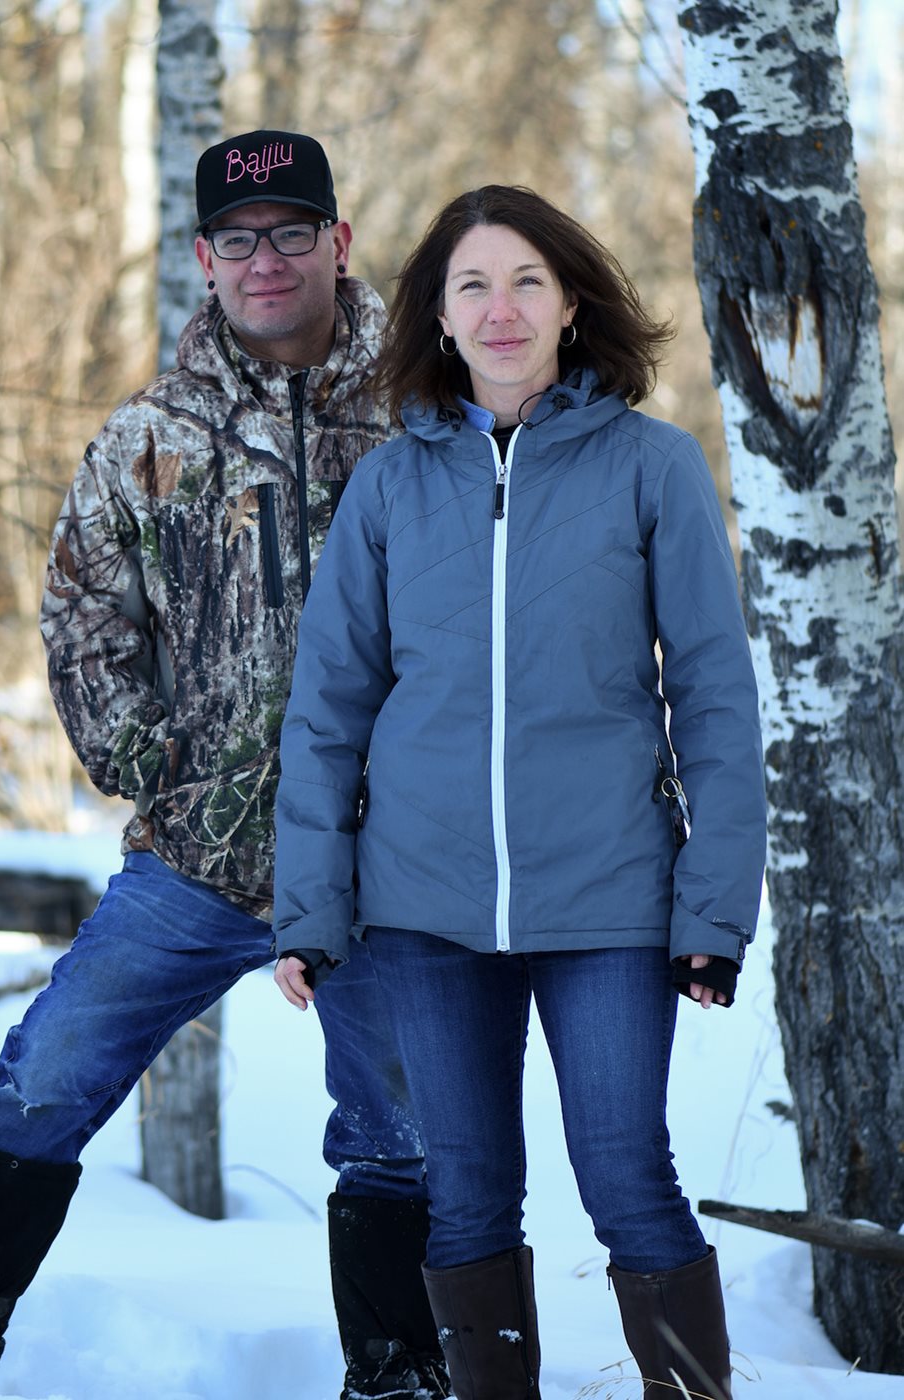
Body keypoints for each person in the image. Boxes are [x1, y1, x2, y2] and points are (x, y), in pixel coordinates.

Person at [0, 129, 449, 1400]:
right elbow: (82, 611)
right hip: (203, 851)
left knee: (399, 1122)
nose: (267, 259)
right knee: (50, 1068)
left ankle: (399, 1361)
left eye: (293, 232)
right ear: (203, 258)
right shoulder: (152, 432)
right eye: (239, 239)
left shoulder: (425, 413)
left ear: (339, 244)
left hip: (384, 857)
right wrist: (156, 760)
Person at [272, 184, 767, 1400]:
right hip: (424, 909)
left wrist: (713, 909)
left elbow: (713, 698)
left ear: (570, 303)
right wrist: (310, 906)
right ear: (437, 316)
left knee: (623, 1169)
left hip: (607, 899)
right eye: (472, 286)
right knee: (469, 1184)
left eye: (527, 282)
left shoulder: (652, 468)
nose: (501, 310)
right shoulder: (390, 490)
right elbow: (329, 710)